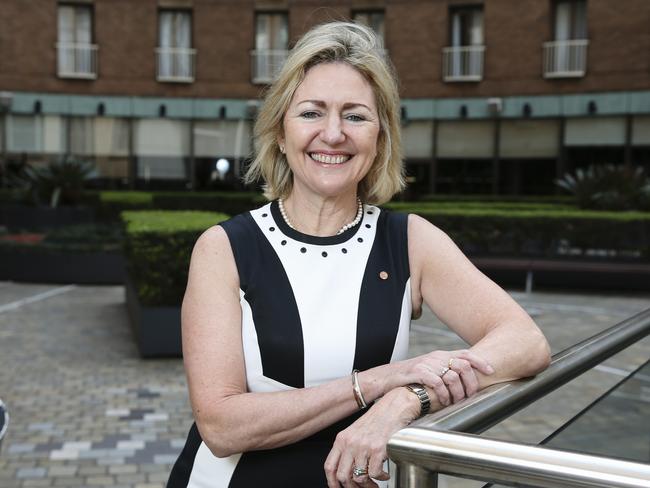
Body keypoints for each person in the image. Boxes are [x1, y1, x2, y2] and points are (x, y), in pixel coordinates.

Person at [167, 21, 551, 488]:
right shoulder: (225, 247)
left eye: (355, 115)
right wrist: (373, 384)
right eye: (311, 113)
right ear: (280, 133)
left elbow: (526, 343)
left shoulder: (409, 240)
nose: (333, 134)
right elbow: (221, 426)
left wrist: (406, 399)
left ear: (380, 138)